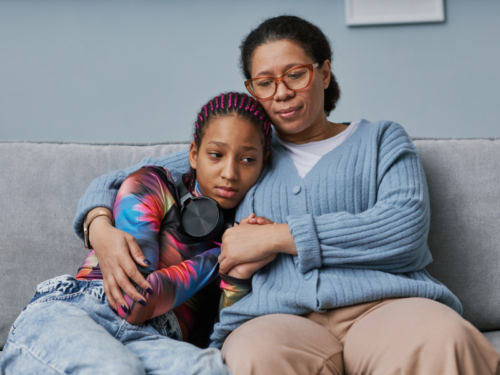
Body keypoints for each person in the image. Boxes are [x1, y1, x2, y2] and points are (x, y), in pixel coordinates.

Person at [68, 16, 499, 375]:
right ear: (252, 89)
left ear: (324, 73)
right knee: (254, 358)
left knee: (443, 340)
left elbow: (403, 229)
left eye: (295, 74)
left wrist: (277, 237)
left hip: (385, 307)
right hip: (277, 319)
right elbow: (116, 180)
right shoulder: (247, 151)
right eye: (265, 81)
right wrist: (99, 227)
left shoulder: (381, 139)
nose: (282, 92)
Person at [0, 92, 273, 375]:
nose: (230, 172)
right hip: (85, 310)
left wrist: (236, 274)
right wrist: (220, 257)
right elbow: (134, 300)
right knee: (116, 369)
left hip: (155, 339)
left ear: (263, 163)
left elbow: (218, 342)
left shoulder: (242, 235)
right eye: (216, 155)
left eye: (247, 160)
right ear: (194, 154)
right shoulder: (152, 183)